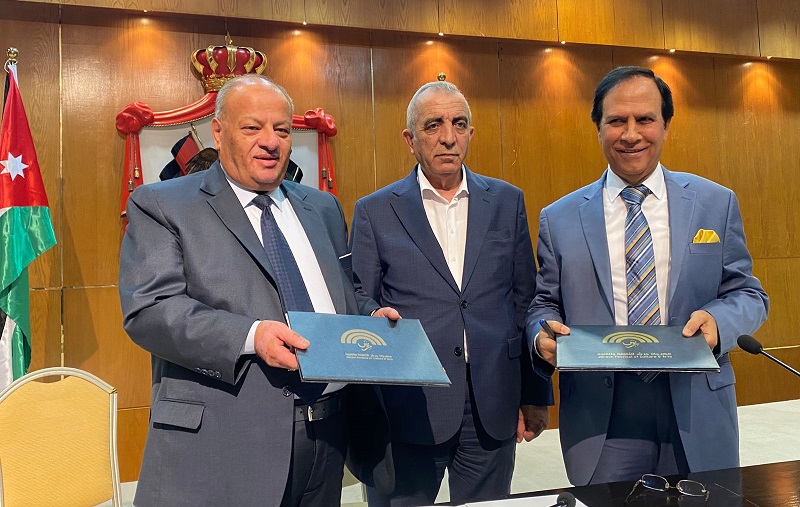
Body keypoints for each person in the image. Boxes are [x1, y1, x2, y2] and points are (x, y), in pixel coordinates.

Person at [119, 74, 398, 506]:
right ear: (218, 132)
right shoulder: (163, 204)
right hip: (224, 444)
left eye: (282, 130)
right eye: (252, 128)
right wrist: (251, 336)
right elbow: (150, 311)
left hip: (328, 438)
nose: (270, 142)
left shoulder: (322, 207)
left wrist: (370, 316)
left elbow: (342, 293)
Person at [526, 66, 769, 486]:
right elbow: (544, 304)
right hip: (604, 414)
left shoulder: (715, 203)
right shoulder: (559, 217)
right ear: (598, 128)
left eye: (645, 119)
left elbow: (748, 293)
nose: (631, 134)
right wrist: (540, 335)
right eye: (616, 121)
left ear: (666, 125)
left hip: (696, 404)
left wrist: (718, 322)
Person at [349, 81, 552, 506]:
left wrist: (534, 393)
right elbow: (358, 296)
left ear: (470, 134)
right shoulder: (375, 210)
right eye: (433, 125)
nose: (448, 137)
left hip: (491, 404)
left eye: (459, 124)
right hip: (409, 405)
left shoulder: (506, 201)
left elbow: (525, 301)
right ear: (410, 140)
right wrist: (372, 316)